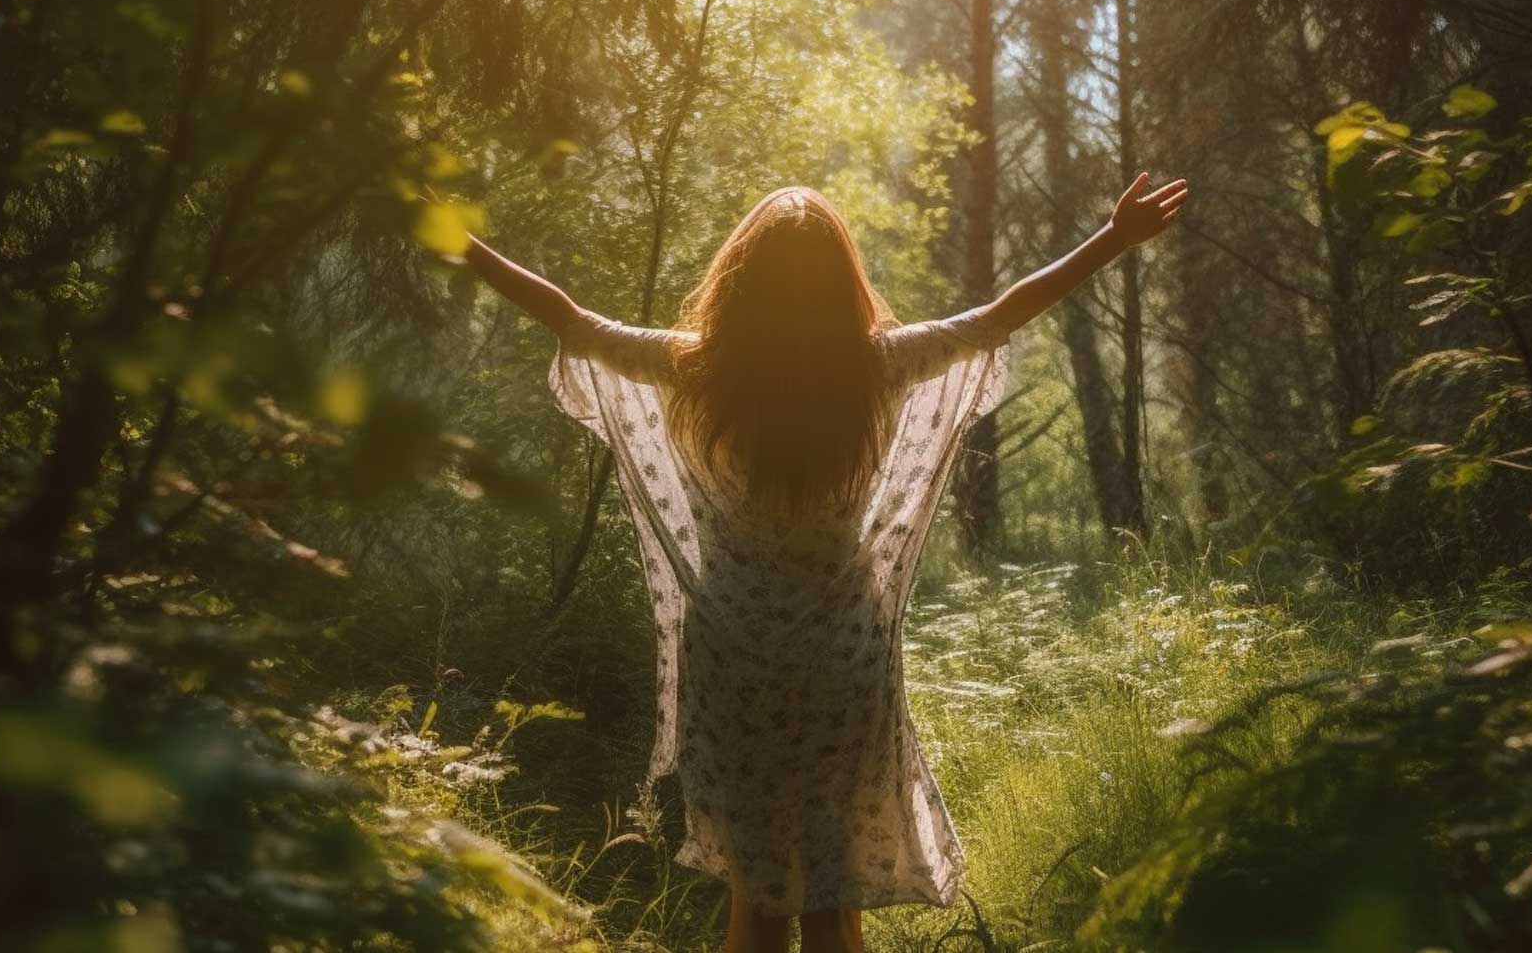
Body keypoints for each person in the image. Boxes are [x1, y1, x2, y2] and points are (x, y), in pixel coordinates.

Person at [463, 174, 1187, 953]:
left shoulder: (696, 371)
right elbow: (999, 315)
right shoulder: (872, 370)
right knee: (833, 893)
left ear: (741, 279)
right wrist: (1112, 237)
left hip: (731, 658)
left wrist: (453, 237)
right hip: (844, 655)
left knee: (758, 889)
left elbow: (567, 317)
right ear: (843, 279)